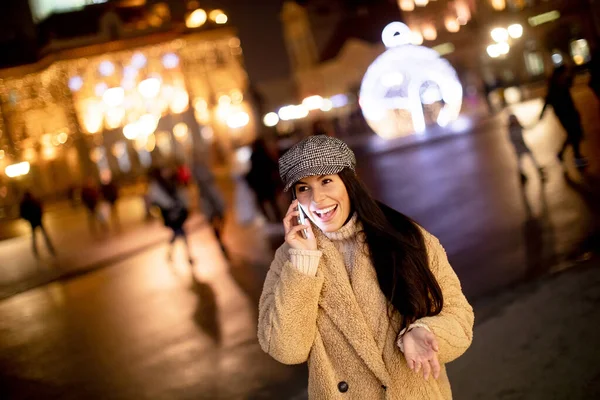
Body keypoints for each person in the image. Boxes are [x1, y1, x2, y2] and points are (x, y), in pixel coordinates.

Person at [258, 136, 474, 399]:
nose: (317, 198)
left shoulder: (404, 236)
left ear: (349, 183)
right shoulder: (289, 260)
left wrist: (425, 332)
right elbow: (286, 349)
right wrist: (304, 263)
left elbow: (459, 316)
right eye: (303, 188)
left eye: (326, 181)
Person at [539, 65, 587, 168]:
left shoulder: (563, 83)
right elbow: (548, 101)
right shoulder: (554, 87)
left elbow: (570, 83)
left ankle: (563, 154)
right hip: (564, 115)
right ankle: (576, 157)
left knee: (573, 135)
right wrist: (542, 114)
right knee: (574, 134)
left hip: (571, 112)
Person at [147, 167, 193, 264]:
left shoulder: (162, 183)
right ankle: (186, 255)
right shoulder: (155, 186)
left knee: (178, 233)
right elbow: (160, 200)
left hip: (174, 212)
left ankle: (172, 254)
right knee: (181, 233)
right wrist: (173, 205)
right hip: (170, 214)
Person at [191, 155, 227, 257]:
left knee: (221, 215)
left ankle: (219, 235)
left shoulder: (206, 167)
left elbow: (213, 177)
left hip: (213, 195)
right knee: (212, 220)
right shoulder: (194, 171)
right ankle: (219, 239)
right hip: (205, 198)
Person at [245, 137, 283, 223]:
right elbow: (273, 166)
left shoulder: (254, 156)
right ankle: (277, 218)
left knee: (262, 203)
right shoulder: (265, 154)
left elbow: (252, 170)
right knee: (273, 202)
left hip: (259, 184)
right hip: (268, 182)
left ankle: (269, 219)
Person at [508, 113, 545, 183]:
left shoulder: (518, 126)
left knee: (530, 157)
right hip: (519, 148)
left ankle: (537, 169)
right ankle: (521, 174)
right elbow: (512, 140)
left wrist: (535, 123)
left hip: (522, 146)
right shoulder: (511, 130)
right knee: (520, 161)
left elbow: (527, 127)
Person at [19, 191, 56, 257]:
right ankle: (49, 248)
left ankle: (35, 250)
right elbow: (40, 207)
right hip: (37, 220)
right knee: (44, 235)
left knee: (35, 236)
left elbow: (23, 213)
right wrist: (39, 216)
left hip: (34, 221)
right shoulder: (32, 201)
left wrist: (29, 219)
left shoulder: (25, 203)